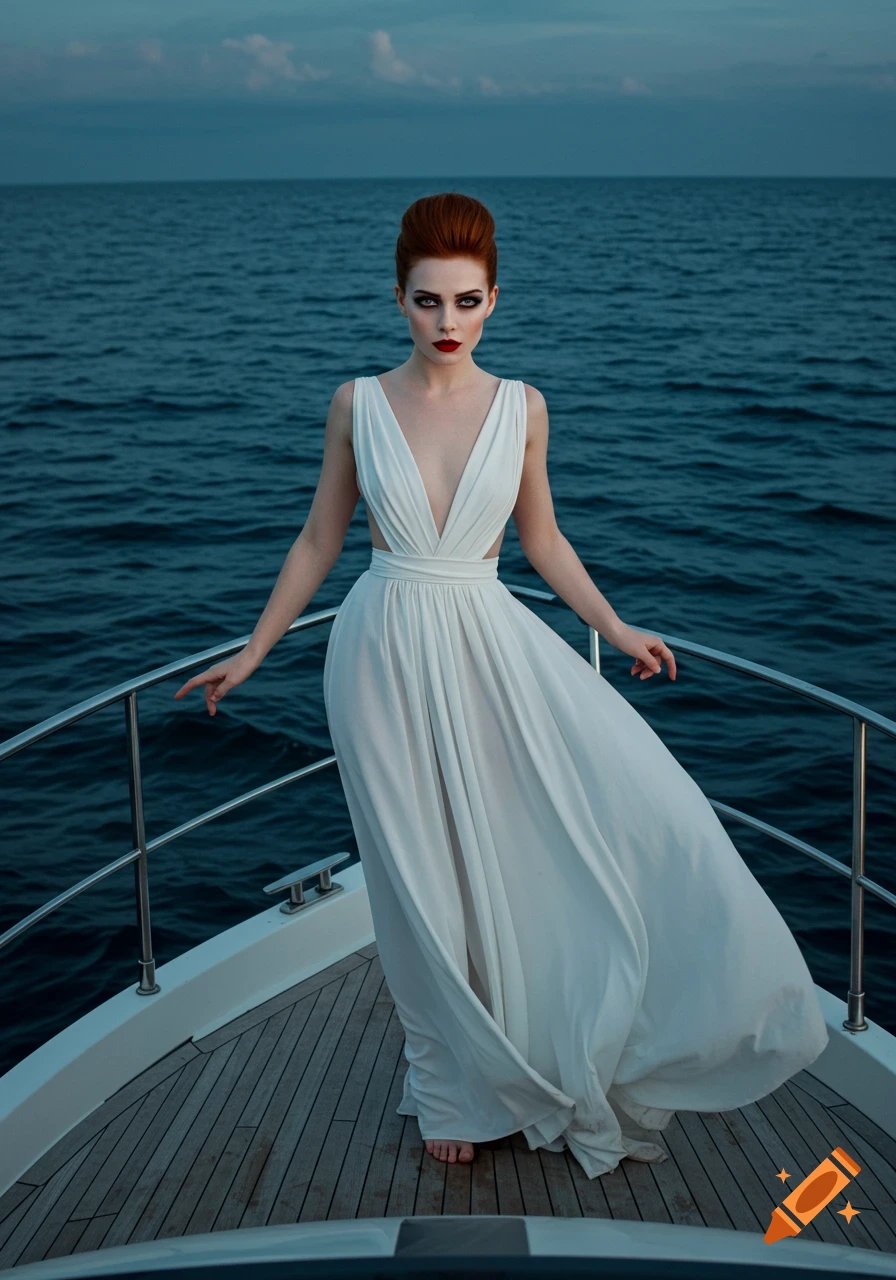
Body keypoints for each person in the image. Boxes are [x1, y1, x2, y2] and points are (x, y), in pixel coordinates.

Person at [175, 192, 829, 1178]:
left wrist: (615, 626)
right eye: (427, 300)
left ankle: (526, 1045)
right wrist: (254, 649)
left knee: (538, 843)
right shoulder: (356, 404)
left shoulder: (522, 407)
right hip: (380, 652)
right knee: (414, 878)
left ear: (494, 300)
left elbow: (543, 538)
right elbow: (317, 539)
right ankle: (447, 1084)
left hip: (486, 643)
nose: (447, 322)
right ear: (396, 298)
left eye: (466, 301)